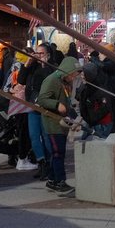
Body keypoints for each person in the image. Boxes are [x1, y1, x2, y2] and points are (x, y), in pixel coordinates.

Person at [37, 55, 81, 197]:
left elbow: (67, 102)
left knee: (58, 152)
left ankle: (51, 180)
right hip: (52, 122)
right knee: (58, 152)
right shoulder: (52, 80)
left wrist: (75, 117)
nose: (74, 77)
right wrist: (56, 104)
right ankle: (60, 182)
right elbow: (42, 99)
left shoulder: (64, 81)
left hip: (61, 121)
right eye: (73, 74)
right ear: (67, 71)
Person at [18, 44, 54, 179]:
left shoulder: (51, 67)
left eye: (41, 53)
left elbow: (50, 82)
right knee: (34, 136)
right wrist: (27, 63)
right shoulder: (32, 66)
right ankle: (41, 162)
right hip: (32, 105)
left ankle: (50, 165)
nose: (39, 55)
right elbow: (21, 80)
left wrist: (45, 64)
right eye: (37, 53)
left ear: (48, 54)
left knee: (46, 137)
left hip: (45, 107)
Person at [78, 62, 113, 139]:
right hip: (91, 122)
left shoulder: (100, 90)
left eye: (84, 75)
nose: (81, 76)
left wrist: (92, 120)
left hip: (101, 124)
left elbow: (104, 108)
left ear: (90, 75)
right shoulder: (86, 86)